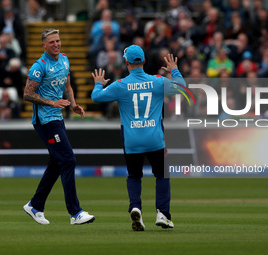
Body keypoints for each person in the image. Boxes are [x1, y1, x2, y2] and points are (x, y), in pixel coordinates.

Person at [91, 45, 185, 231]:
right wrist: (174, 69)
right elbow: (182, 88)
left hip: (132, 141)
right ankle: (163, 214)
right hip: (155, 139)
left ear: (126, 62)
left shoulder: (120, 85)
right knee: (161, 175)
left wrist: (98, 83)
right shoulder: (157, 81)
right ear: (143, 61)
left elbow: (96, 97)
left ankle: (135, 207)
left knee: (134, 176)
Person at [23, 28, 95, 225]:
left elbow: (67, 86)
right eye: (52, 42)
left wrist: (72, 104)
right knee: (68, 159)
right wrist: (52, 103)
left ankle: (35, 205)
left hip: (57, 117)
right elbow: (28, 94)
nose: (56, 44)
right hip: (45, 121)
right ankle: (75, 213)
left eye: (58, 40)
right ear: (44, 45)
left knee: (57, 162)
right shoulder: (39, 66)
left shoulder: (64, 59)